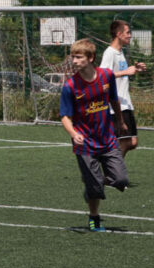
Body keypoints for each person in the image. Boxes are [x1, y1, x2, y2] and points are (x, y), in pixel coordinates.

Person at [60, 38, 129, 232]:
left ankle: (93, 186)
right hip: (85, 144)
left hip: (107, 139)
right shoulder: (70, 86)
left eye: (79, 57)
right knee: (96, 187)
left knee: (122, 180)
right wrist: (73, 133)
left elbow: (114, 100)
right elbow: (65, 116)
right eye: (73, 57)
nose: (74, 61)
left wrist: (120, 121)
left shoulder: (106, 76)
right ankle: (94, 217)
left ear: (91, 58)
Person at [99, 20, 146, 157]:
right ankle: (111, 171)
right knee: (127, 142)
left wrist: (135, 69)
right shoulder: (110, 53)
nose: (130, 35)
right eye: (127, 33)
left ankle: (112, 170)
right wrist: (125, 72)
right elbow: (103, 77)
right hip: (117, 104)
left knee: (132, 142)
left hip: (126, 103)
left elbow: (119, 74)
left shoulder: (120, 52)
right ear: (119, 34)